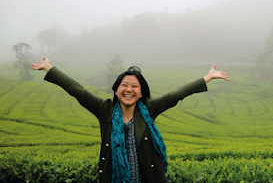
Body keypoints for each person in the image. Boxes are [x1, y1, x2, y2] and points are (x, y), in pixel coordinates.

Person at [31, 57, 229, 183]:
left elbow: (176, 94)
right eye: (124, 85)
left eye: (134, 86)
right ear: (116, 90)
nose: (129, 89)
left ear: (141, 92)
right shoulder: (105, 110)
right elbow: (78, 91)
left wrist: (206, 78)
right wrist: (51, 69)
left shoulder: (148, 111)